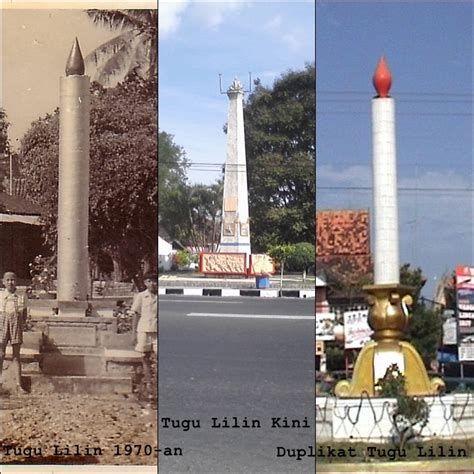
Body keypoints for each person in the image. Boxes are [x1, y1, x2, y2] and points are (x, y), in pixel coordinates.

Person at [0, 271, 28, 393]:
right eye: (8, 280)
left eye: (13, 280)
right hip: (2, 323)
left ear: (16, 281)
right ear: (3, 282)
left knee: (16, 355)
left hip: (16, 324)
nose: (10, 282)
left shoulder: (21, 296)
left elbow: (24, 313)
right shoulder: (1, 295)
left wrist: (20, 324)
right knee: (1, 353)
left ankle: (18, 384)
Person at [132, 272, 157, 392]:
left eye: (155, 281)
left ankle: (157, 381)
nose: (153, 284)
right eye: (150, 281)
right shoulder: (141, 296)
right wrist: (133, 332)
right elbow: (136, 314)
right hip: (143, 329)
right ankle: (148, 382)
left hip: (157, 331)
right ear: (145, 283)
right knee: (144, 356)